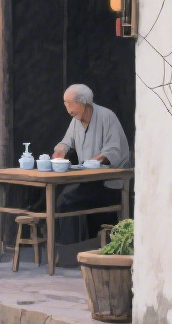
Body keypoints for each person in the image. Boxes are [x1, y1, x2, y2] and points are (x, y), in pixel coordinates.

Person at [51, 84, 131, 242]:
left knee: (65, 200)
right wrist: (60, 151)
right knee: (59, 197)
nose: (68, 109)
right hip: (88, 181)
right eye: (65, 104)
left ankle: (68, 248)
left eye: (71, 104)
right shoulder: (76, 120)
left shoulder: (107, 117)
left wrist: (92, 162)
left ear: (84, 102)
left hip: (108, 183)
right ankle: (70, 248)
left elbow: (113, 151)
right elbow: (67, 141)